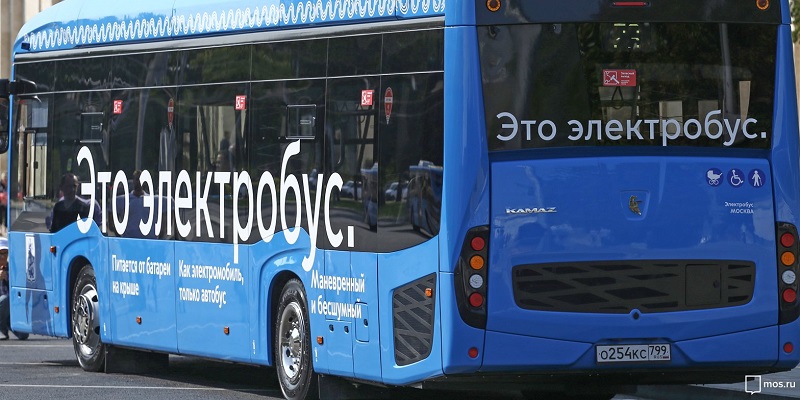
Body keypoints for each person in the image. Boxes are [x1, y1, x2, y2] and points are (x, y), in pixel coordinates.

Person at [0, 237, 29, 340]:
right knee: (4, 299)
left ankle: (6, 323)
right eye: (0, 253)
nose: (3, 256)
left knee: (23, 335)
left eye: (5, 253)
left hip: (10, 309)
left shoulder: (12, 268)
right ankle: (1, 328)